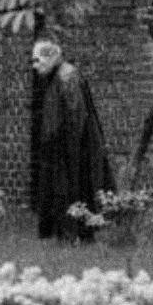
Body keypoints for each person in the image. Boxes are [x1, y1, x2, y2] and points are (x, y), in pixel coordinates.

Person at [29, 38, 115, 241]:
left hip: (71, 151)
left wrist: (67, 150)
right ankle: (67, 234)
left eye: (37, 60)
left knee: (73, 191)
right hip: (62, 149)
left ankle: (74, 234)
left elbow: (75, 119)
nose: (34, 66)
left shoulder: (67, 78)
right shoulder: (58, 77)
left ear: (50, 58)